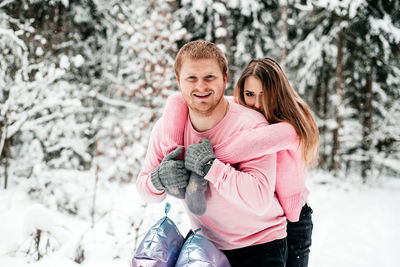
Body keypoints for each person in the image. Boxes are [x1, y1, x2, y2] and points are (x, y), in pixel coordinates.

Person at [136, 40, 288, 266]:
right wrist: (158, 179)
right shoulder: (167, 128)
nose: (201, 87)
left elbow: (259, 197)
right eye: (191, 78)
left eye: (210, 77)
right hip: (205, 245)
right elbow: (144, 189)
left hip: (260, 244)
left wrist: (211, 167)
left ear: (225, 79)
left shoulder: (251, 124)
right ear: (179, 81)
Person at [160, 57, 319, 267]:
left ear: (278, 94)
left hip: (294, 218)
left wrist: (202, 159)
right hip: (264, 217)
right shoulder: (245, 109)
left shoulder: (292, 126)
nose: (257, 103)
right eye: (250, 94)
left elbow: (243, 147)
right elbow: (180, 100)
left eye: (266, 95)